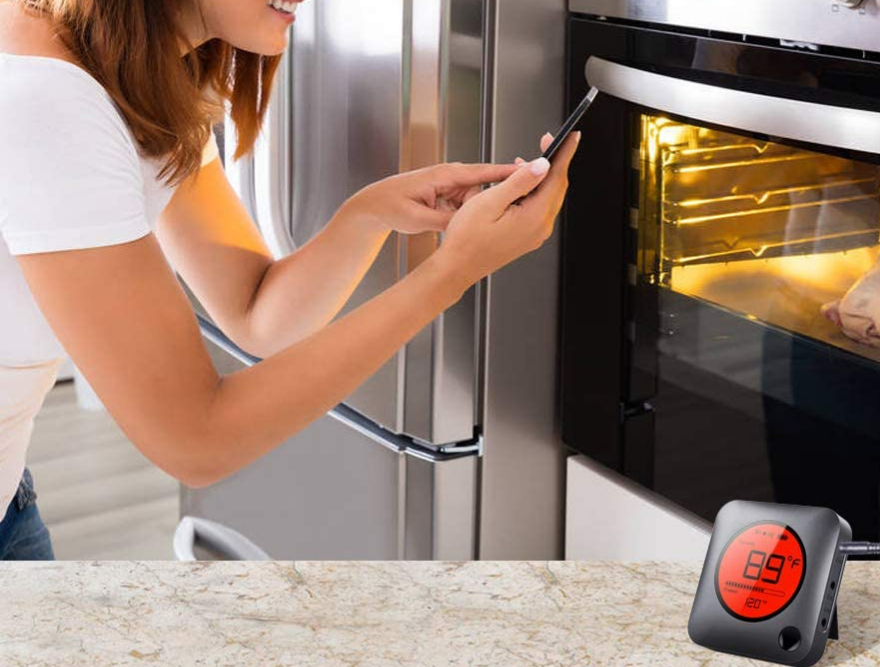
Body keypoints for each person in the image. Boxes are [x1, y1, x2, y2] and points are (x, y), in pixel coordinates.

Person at [0, 0, 579, 560]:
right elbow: (195, 440)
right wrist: (451, 272)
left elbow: (257, 313)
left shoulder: (146, 69)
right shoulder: (52, 102)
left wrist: (369, 212)